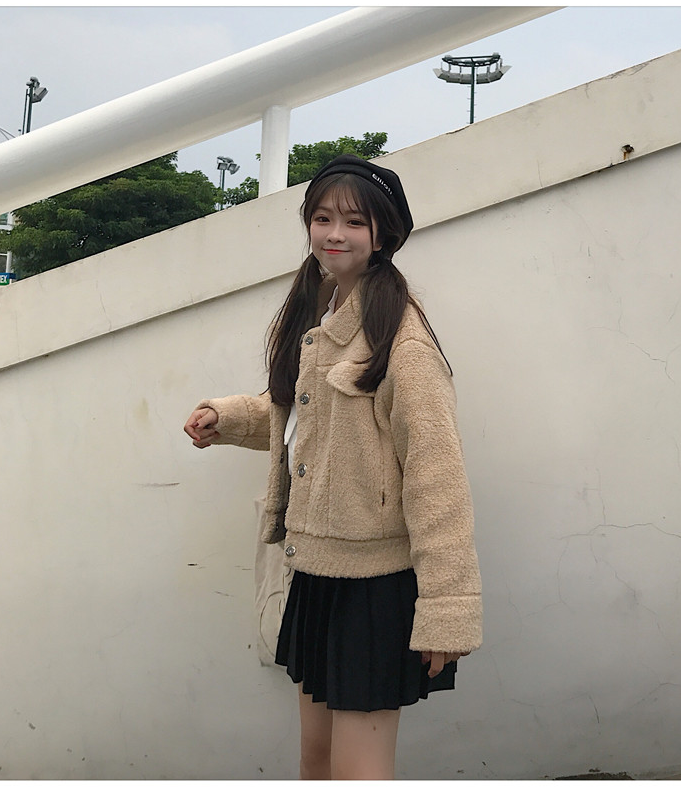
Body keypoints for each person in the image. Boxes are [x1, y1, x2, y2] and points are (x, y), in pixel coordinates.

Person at [183, 154, 482, 780]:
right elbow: (303, 413)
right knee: (315, 761)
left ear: (384, 234)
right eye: (322, 219)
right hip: (316, 571)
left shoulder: (403, 340)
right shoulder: (321, 315)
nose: (334, 234)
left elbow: (437, 479)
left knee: (357, 772)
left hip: (374, 588)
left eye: (353, 221)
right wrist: (227, 418)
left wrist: (446, 608)